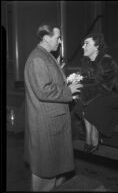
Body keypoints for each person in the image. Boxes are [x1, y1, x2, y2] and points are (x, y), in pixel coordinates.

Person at [24, 22, 83, 191]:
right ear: (46, 38)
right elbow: (43, 90)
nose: (60, 41)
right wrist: (68, 90)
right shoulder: (37, 58)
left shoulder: (45, 55)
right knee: (46, 172)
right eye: (57, 37)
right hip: (47, 125)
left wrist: (59, 71)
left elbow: (47, 80)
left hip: (52, 122)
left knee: (55, 170)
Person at [73, 33, 118, 153]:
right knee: (81, 104)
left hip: (116, 93)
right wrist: (76, 81)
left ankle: (94, 136)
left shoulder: (106, 60)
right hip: (98, 93)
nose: (83, 47)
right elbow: (86, 81)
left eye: (87, 44)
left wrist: (83, 91)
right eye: (83, 44)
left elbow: (106, 86)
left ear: (97, 46)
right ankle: (90, 136)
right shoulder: (86, 62)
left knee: (91, 105)